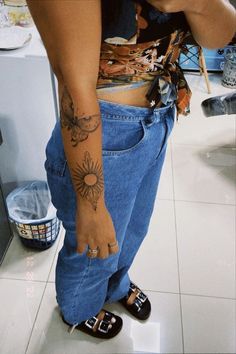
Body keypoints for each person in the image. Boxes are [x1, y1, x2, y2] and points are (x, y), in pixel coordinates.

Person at [26, 0, 236, 339]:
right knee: (92, 247)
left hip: (157, 116)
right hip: (103, 134)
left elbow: (224, 33)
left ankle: (113, 287)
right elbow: (75, 90)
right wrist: (91, 206)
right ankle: (79, 309)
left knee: (132, 231)